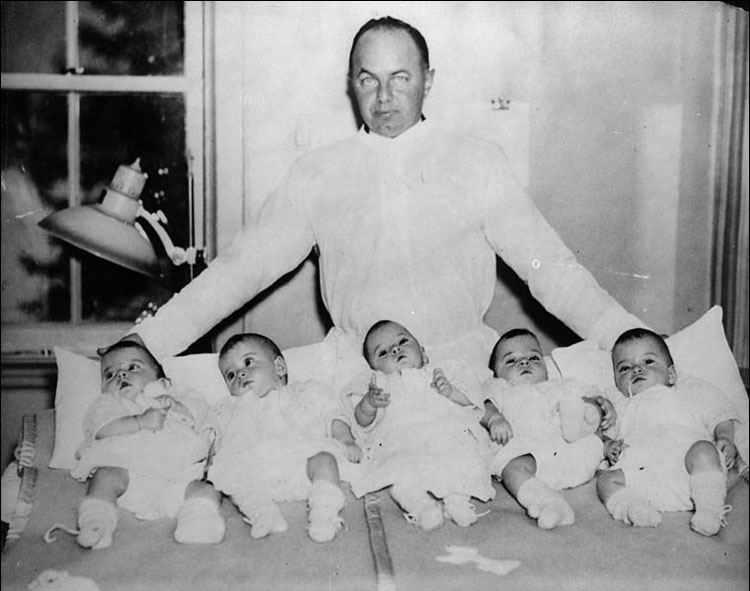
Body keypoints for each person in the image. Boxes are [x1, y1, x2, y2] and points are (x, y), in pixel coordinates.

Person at [115, 15, 645, 390]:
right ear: (353, 85)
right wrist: (150, 341)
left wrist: (625, 336)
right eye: (369, 80)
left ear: (428, 82)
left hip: (463, 374)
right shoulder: (318, 173)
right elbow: (241, 270)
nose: (385, 98)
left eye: (401, 79)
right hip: (355, 379)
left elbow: (550, 269)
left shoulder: (477, 161)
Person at [51, 340, 224, 550]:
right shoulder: (108, 403)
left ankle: (197, 521)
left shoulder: (177, 393)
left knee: (207, 489)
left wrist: (177, 406)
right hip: (128, 479)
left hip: (176, 478)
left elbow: (201, 412)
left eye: (132, 367)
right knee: (105, 476)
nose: (120, 375)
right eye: (109, 374)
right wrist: (139, 422)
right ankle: (97, 522)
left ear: (160, 376)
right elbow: (101, 428)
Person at [340, 319, 495, 531]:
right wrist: (369, 403)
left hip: (447, 435)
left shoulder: (442, 373)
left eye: (403, 341)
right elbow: (360, 422)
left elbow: (473, 403)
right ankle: (421, 507)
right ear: (374, 368)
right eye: (383, 353)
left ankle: (457, 500)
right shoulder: (378, 384)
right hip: (403, 442)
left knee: (466, 456)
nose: (395, 349)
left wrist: (451, 392)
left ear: (423, 353)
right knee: (401, 473)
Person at [207, 333, 361, 542]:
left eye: (248, 362)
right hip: (257, 472)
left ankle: (324, 514)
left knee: (325, 460)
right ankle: (264, 514)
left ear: (279, 368)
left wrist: (346, 439)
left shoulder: (306, 391)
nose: (241, 374)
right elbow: (213, 433)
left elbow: (333, 412)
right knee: (234, 477)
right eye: (231, 375)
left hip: (302, 463)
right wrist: (210, 455)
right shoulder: (229, 408)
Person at [596, 328, 740, 536]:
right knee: (606, 481)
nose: (636, 370)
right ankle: (633, 508)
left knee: (704, 450)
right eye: (625, 368)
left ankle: (709, 510)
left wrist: (725, 436)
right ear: (616, 381)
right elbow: (600, 431)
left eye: (648, 362)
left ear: (671, 374)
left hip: (691, 473)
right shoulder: (619, 404)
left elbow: (718, 412)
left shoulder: (685, 392)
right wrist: (609, 444)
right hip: (647, 477)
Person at [481, 328, 614, 529]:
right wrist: (495, 419)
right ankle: (548, 503)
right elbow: (482, 405)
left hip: (574, 450)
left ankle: (602, 443)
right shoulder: (500, 388)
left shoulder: (562, 385)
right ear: (496, 373)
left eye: (533, 358)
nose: (524, 362)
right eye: (511, 360)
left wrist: (603, 405)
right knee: (512, 468)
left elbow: (595, 396)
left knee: (583, 408)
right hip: (534, 459)